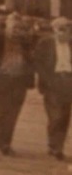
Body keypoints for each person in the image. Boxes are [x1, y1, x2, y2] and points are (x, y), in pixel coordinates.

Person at [0, 11, 35, 156]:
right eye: (13, 27)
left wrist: (29, 80)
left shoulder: (25, 43)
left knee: (13, 115)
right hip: (1, 81)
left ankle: (6, 143)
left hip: (18, 83)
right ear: (7, 26)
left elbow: (30, 63)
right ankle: (0, 140)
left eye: (19, 28)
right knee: (0, 114)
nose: (16, 31)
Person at [34, 16, 72, 161]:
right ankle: (54, 146)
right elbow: (38, 63)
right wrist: (47, 80)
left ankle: (58, 146)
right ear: (54, 30)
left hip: (68, 82)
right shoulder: (45, 43)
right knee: (55, 116)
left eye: (67, 30)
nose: (64, 33)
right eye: (60, 29)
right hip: (53, 82)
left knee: (65, 117)